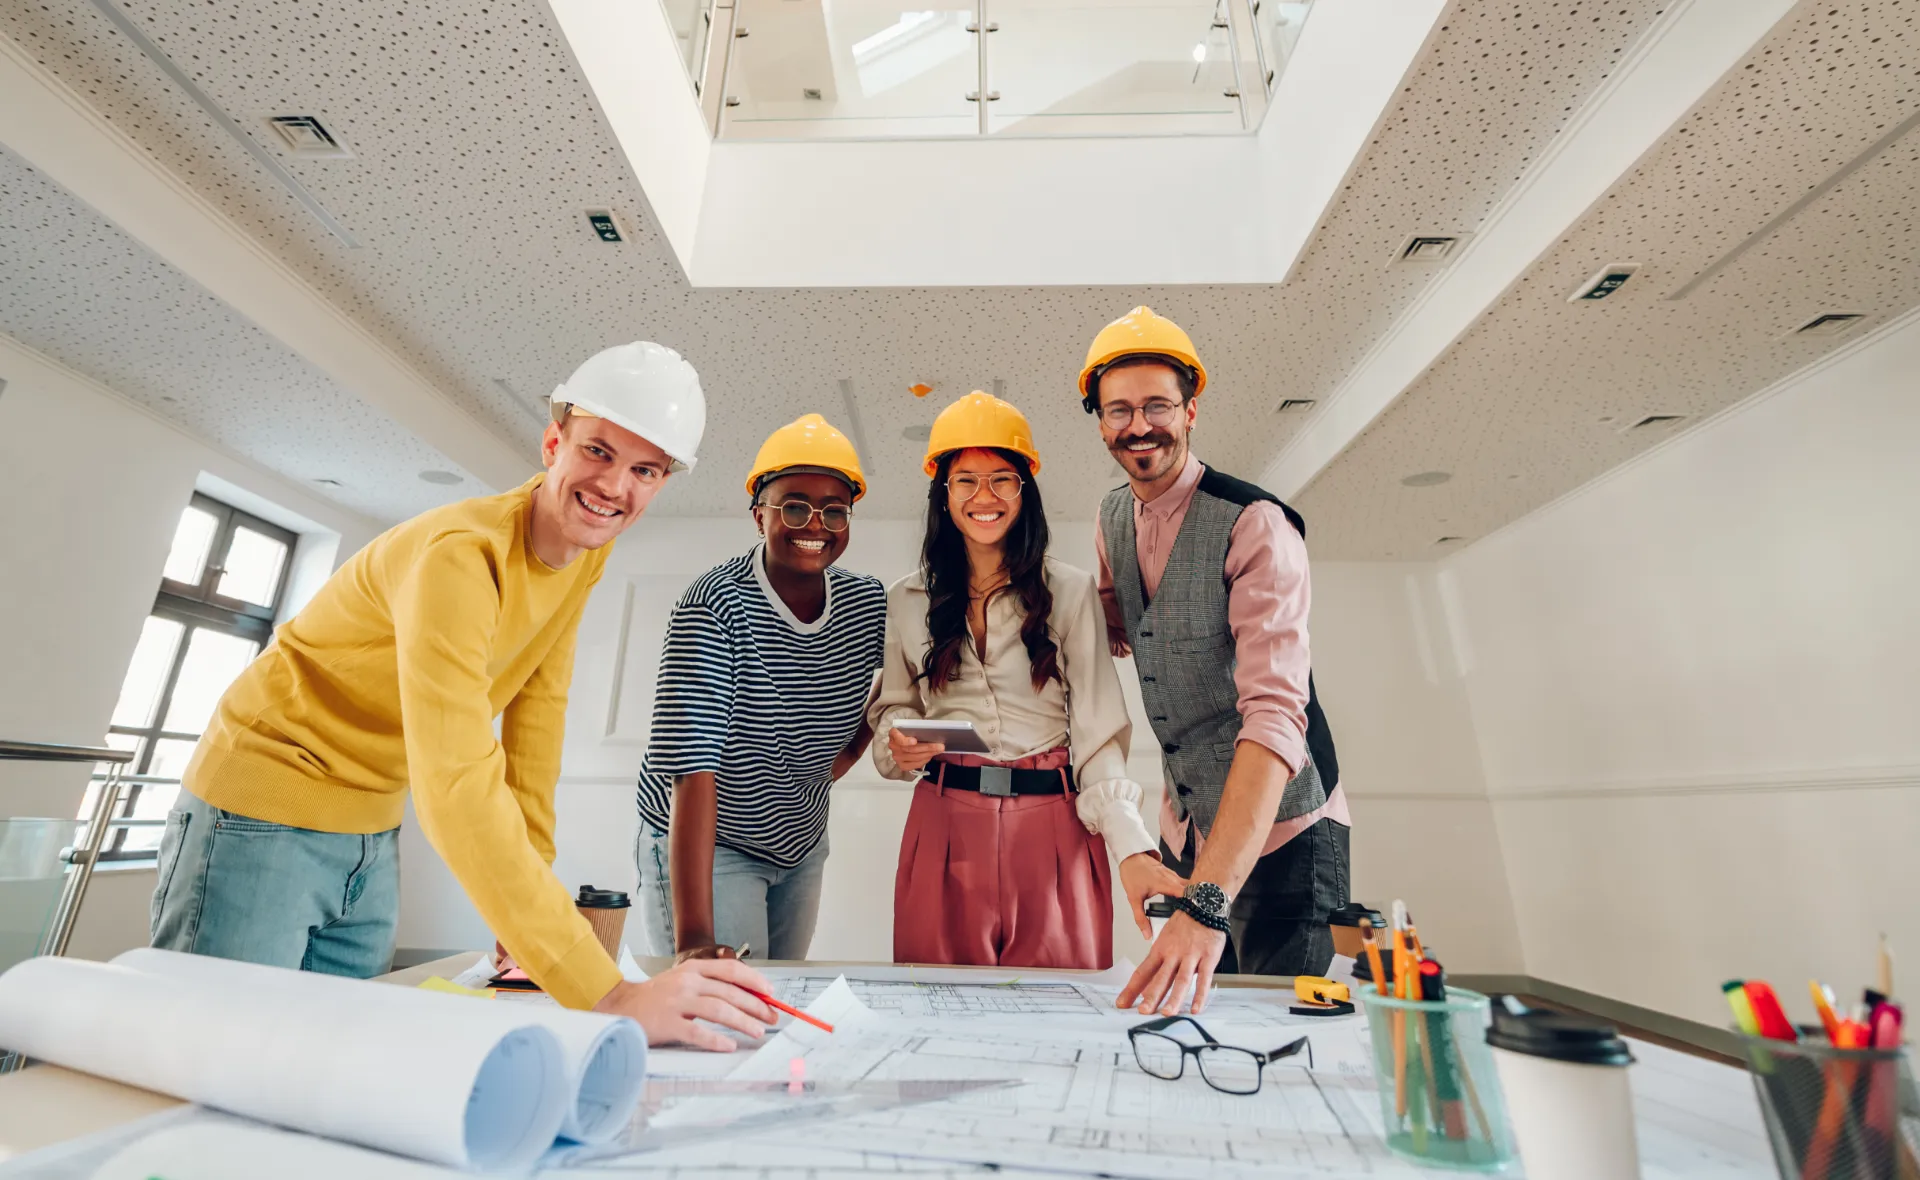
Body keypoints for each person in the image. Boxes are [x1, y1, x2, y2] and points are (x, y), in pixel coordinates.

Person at [151, 342, 777, 1051]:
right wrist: (607, 993)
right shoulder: (460, 555)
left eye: (644, 470)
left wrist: (528, 916)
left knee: (324, 1057)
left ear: (661, 483)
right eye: (598, 451)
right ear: (554, 443)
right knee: (210, 1055)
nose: (613, 485)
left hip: (370, 828)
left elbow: (537, 719)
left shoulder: (585, 554)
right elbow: (455, 783)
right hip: (259, 810)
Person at [1081, 308, 1350, 1016]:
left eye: (1158, 406)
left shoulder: (1256, 524)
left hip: (1288, 833)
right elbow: (1112, 631)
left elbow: (1275, 717)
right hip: (1186, 825)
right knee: (1195, 1020)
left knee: (1282, 1028)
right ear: (1101, 423)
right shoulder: (1111, 518)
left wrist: (1207, 902)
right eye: (1119, 411)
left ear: (1190, 411)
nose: (1139, 426)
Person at [870, 391, 1186, 970]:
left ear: (1024, 491)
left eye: (1002, 480)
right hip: (943, 823)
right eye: (966, 481)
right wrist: (898, 741)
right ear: (944, 493)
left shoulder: (1069, 591)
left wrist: (1131, 847)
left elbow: (1097, 734)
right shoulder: (907, 598)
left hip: (1055, 826)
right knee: (935, 1005)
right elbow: (893, 707)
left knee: (1061, 1009)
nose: (983, 497)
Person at [635, 414, 885, 963]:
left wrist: (845, 755)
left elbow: (908, 674)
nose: (815, 524)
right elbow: (691, 769)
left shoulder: (867, 603)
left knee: (781, 990)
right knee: (724, 994)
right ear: (759, 515)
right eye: (794, 507)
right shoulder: (713, 605)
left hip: (801, 842)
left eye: (835, 511)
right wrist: (694, 939)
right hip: (713, 841)